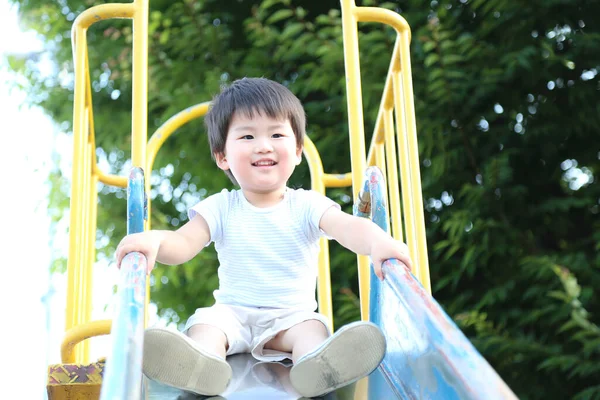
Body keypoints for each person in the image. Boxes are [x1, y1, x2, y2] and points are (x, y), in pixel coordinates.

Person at [115, 77, 413, 398]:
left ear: (297, 150)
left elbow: (347, 227)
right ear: (223, 157)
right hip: (232, 315)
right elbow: (184, 243)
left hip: (291, 319)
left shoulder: (307, 205)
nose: (263, 145)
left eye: (276, 134)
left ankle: (317, 369)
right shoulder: (222, 207)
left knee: (312, 330)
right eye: (247, 135)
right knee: (206, 327)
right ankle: (200, 367)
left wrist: (378, 242)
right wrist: (156, 241)